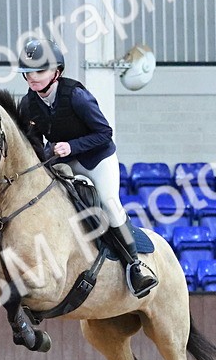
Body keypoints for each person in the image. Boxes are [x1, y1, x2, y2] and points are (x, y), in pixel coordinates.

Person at [15, 36, 157, 298]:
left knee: (110, 204)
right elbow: (34, 144)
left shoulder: (76, 96)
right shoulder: (28, 104)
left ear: (56, 72)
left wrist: (71, 146)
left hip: (97, 159)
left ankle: (136, 267)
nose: (32, 77)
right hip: (63, 161)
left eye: (39, 71)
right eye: (28, 73)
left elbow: (105, 132)